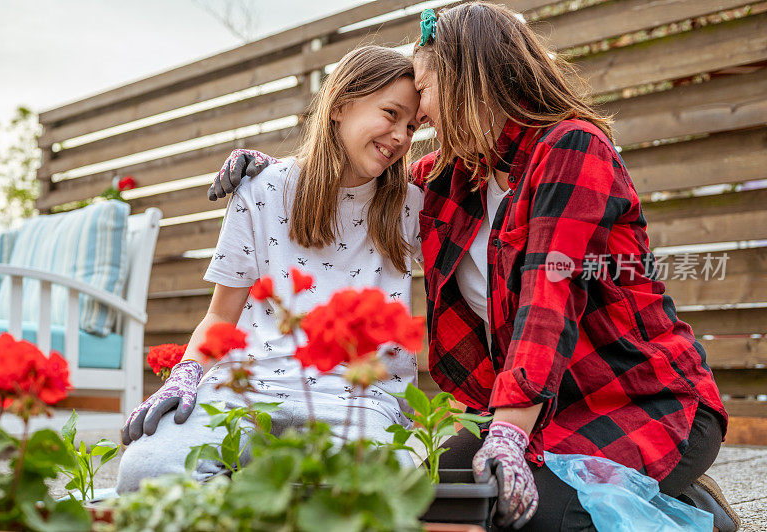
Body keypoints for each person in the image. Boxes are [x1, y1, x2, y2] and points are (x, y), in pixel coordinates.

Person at [207, 4, 738, 530]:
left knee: (521, 518)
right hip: (535, 406)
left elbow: (545, 301)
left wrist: (507, 435)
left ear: (468, 81)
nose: (424, 114)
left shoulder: (573, 148)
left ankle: (696, 515)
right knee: (424, 499)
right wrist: (275, 174)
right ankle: (654, 494)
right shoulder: (456, 175)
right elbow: (359, 179)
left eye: (427, 90)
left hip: (636, 400)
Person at [116, 45, 424, 493]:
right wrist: (185, 374)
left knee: (371, 492)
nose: (400, 136)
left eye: (412, 126)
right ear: (341, 105)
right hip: (247, 389)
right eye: (391, 114)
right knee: (147, 470)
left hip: (358, 399)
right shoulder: (262, 188)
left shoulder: (412, 207)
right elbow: (220, 316)